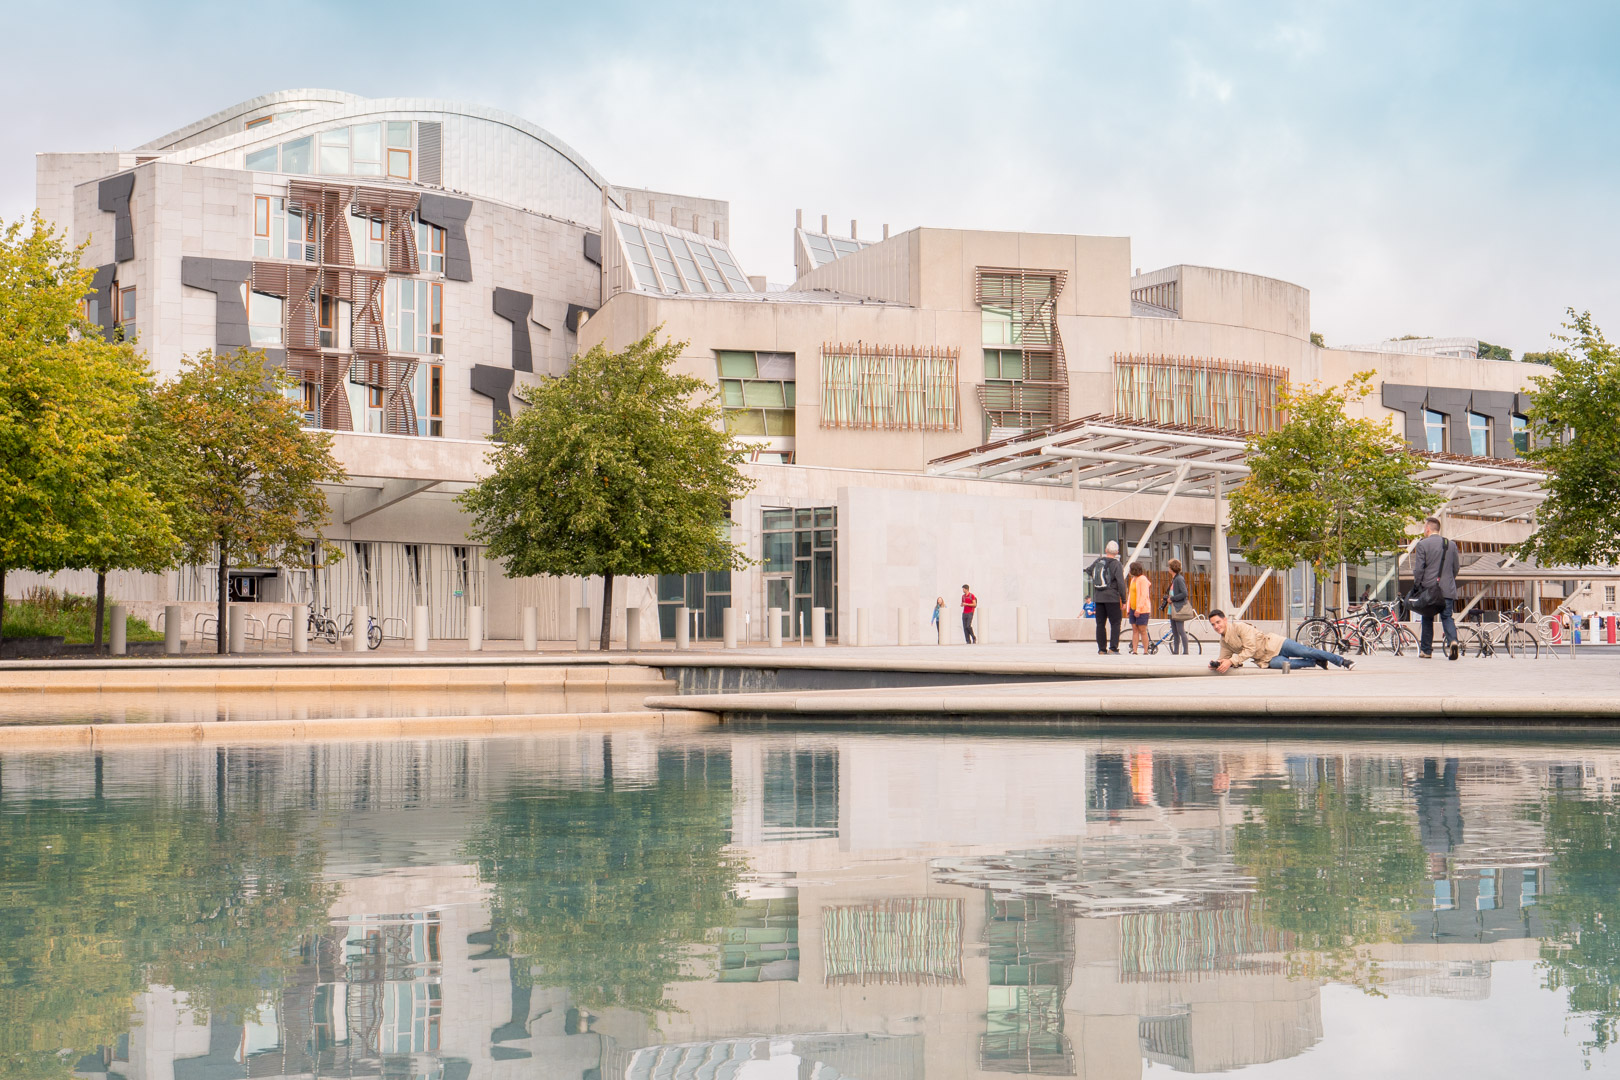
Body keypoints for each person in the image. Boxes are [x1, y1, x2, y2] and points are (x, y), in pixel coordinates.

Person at [1207, 609, 1354, 672]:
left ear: (1225, 620)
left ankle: (1342, 661)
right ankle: (1315, 662)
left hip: (1276, 643)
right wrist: (1217, 664)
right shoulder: (1224, 641)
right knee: (1286, 665)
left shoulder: (1240, 627)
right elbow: (1224, 658)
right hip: (1265, 659)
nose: (1216, 626)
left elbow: (1249, 649)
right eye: (1213, 624)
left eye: (1218, 622)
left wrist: (1231, 661)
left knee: (1306, 651)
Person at [1410, 515, 1460, 660]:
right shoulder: (1451, 544)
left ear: (1427, 529)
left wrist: (1417, 585)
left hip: (1429, 589)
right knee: (1447, 617)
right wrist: (1449, 581)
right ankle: (1453, 641)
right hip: (1447, 590)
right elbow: (1456, 567)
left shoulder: (1423, 545)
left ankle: (1426, 650)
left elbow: (1419, 569)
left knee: (1427, 618)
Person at [1086, 541, 1126, 654]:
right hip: (1112, 598)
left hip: (1098, 597)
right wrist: (1123, 600)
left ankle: (1101, 649)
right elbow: (1121, 583)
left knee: (1100, 624)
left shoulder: (1099, 561)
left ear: (1105, 550)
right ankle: (1113, 648)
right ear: (1117, 552)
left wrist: (1097, 578)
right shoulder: (1117, 564)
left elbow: (1089, 570)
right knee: (1115, 623)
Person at [1164, 558, 1190, 655]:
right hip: (1172, 609)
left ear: (1172, 568)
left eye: (1169, 566)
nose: (1168, 568)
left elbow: (1184, 593)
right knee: (1175, 632)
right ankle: (1175, 652)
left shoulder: (1179, 579)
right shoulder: (1174, 579)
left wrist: (1173, 598)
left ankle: (1185, 652)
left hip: (1178, 608)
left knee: (1180, 630)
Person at [1126, 562, 1153, 654]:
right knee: (1135, 629)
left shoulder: (1143, 579)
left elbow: (1143, 595)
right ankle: (1135, 650)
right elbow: (1130, 595)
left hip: (1142, 609)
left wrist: (1139, 609)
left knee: (1142, 630)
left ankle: (1145, 650)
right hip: (1133, 608)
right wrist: (1128, 608)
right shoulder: (1133, 579)